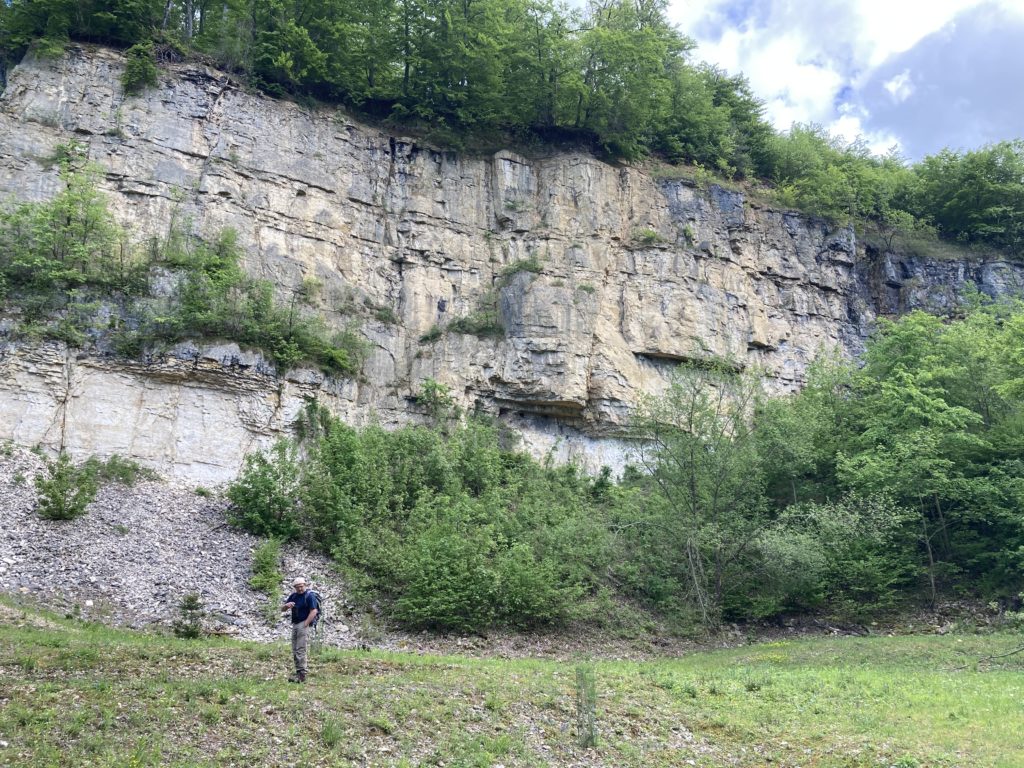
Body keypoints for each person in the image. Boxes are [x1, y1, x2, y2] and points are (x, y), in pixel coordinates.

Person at [281, 576, 319, 683]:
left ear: (305, 585)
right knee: (294, 648)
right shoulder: (293, 596)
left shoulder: (309, 596)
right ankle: (298, 672)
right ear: (294, 587)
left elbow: (314, 611)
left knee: (301, 649)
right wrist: (286, 606)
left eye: (301, 586)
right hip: (295, 623)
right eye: (297, 587)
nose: (300, 589)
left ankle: (302, 675)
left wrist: (306, 624)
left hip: (304, 623)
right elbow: (282, 609)